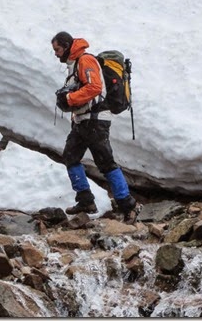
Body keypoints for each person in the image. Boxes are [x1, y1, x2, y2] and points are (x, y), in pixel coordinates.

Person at [51, 31, 140, 224]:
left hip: (96, 120)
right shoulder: (75, 64)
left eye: (57, 49)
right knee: (70, 156)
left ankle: (129, 205)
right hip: (83, 120)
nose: (56, 54)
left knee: (105, 162)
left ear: (66, 46)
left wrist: (69, 98)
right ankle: (85, 201)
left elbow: (95, 88)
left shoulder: (85, 60)